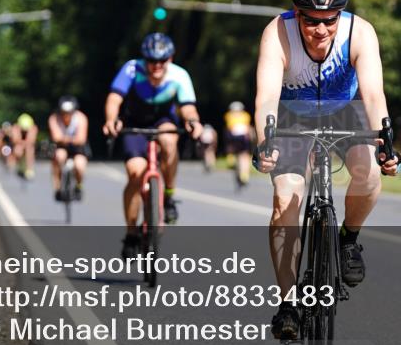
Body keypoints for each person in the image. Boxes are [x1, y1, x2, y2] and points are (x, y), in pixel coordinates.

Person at [253, 0, 401, 341]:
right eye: (312, 21)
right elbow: (267, 97)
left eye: (330, 20)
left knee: (367, 173)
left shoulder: (360, 32)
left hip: (345, 111)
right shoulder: (277, 33)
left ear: (341, 14)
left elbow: (372, 95)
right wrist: (265, 139)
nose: (321, 30)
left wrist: (386, 139)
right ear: (296, 13)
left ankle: (348, 239)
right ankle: (288, 305)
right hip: (291, 117)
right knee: (285, 198)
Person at [102, 33, 204, 257]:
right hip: (134, 124)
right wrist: (111, 120)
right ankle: (131, 233)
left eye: (162, 60)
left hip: (162, 122)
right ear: (144, 59)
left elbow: (187, 107)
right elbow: (114, 98)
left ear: (170, 58)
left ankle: (168, 194)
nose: (156, 66)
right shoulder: (132, 69)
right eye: (151, 60)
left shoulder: (179, 76)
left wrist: (193, 122)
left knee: (169, 140)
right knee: (136, 174)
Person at [48, 95, 90, 202]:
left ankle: (78, 186)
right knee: (59, 156)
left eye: (69, 112)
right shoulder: (54, 118)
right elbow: (56, 137)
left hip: (78, 148)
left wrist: (64, 138)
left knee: (79, 165)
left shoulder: (81, 118)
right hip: (62, 147)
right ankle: (58, 188)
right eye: (63, 112)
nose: (66, 115)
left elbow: (81, 139)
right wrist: (71, 139)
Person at [224, 101, 253, 189]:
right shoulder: (246, 115)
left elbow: (229, 127)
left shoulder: (228, 115)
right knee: (244, 156)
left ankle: (231, 158)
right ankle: (245, 174)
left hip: (233, 137)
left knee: (233, 150)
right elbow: (247, 128)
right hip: (243, 137)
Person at [13, 113, 38, 179]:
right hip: (20, 145)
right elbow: (15, 140)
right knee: (17, 150)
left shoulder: (33, 128)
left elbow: (31, 141)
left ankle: (29, 168)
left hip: (28, 146)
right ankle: (20, 165)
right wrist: (23, 143)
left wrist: (23, 143)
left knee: (30, 150)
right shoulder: (16, 127)